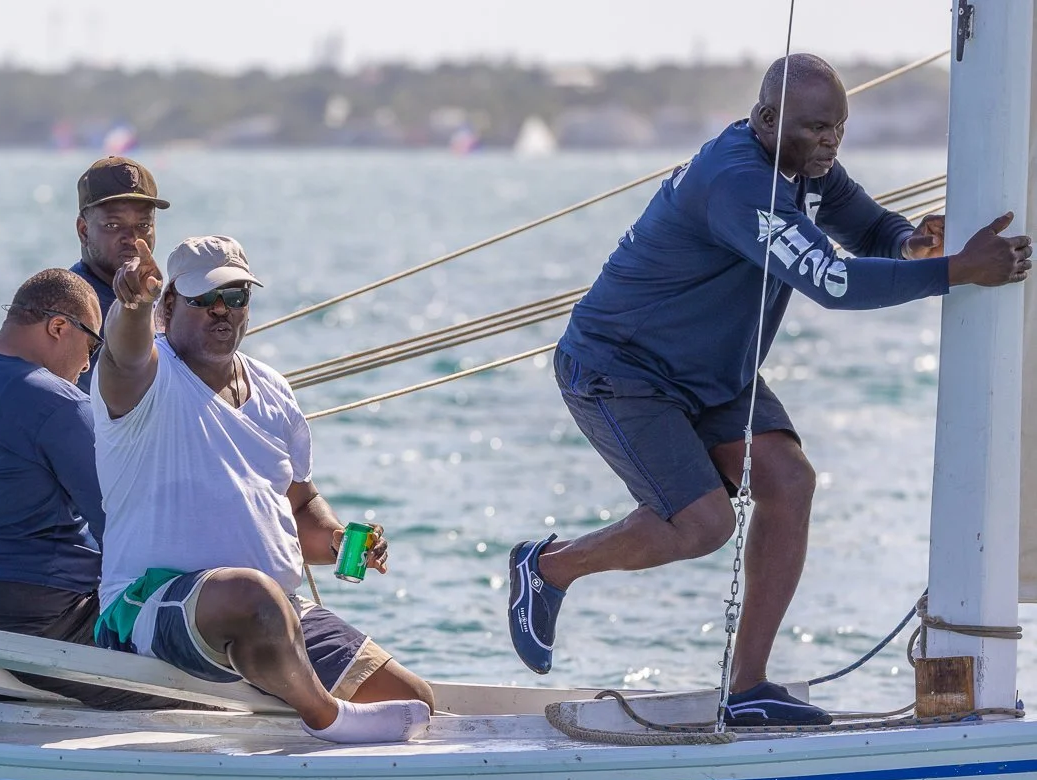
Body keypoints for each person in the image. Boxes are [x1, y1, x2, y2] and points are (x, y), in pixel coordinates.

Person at [506, 54, 1033, 726]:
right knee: (704, 525)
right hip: (622, 368)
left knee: (790, 481)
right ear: (764, 118)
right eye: (815, 128)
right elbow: (832, 283)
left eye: (838, 129)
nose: (829, 142)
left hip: (713, 370)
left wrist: (912, 245)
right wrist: (957, 271)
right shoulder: (737, 183)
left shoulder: (806, 166)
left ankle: (748, 687)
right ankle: (548, 568)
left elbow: (870, 230)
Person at [91, 234, 435, 744]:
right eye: (203, 298)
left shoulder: (274, 390)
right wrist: (132, 305)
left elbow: (301, 504)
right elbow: (124, 356)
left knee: (414, 702)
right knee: (252, 596)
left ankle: (317, 705)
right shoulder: (147, 377)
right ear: (168, 306)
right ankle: (328, 719)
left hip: (276, 613)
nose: (221, 310)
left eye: (235, 296)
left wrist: (338, 541)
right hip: (149, 607)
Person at [0, 269, 192, 711]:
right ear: (58, 327)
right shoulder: (57, 402)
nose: (88, 365)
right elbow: (124, 527)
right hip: (30, 619)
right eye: (92, 346)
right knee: (196, 672)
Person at [70, 156, 169, 392]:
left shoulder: (154, 295)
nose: (133, 239)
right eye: (113, 225)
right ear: (84, 231)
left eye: (143, 225)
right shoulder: (70, 308)